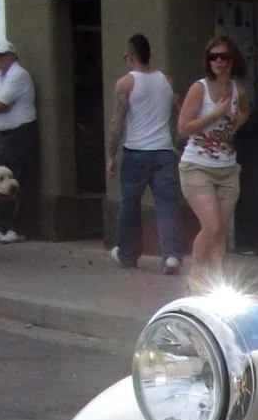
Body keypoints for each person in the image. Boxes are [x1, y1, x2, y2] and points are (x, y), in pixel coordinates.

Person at [107, 33, 183, 274]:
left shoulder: (125, 84)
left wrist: (111, 155)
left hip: (136, 151)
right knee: (167, 203)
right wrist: (177, 143)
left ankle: (128, 254)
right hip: (164, 151)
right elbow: (180, 115)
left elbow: (117, 121)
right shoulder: (167, 82)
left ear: (131, 56)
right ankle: (172, 256)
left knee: (129, 204)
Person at [177, 34, 250, 277]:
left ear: (232, 60)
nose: (219, 61)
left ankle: (216, 281)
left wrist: (230, 129)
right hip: (197, 165)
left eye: (224, 57)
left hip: (227, 167)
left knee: (221, 232)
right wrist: (216, 114)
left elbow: (245, 111)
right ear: (207, 61)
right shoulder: (200, 89)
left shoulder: (237, 90)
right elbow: (183, 127)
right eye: (213, 57)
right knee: (212, 225)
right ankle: (196, 277)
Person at [0, 36, 36, 241]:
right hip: (4, 135)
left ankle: (12, 227)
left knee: (13, 179)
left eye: (2, 55)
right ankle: (1, 227)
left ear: (12, 56)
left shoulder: (18, 75)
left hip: (19, 133)